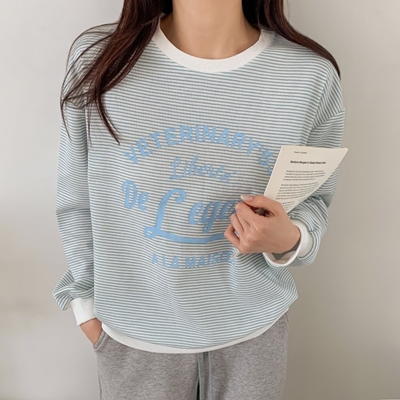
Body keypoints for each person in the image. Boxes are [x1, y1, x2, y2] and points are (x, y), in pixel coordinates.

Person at [52, 0, 345, 399]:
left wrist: (291, 239)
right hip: (134, 336)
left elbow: (314, 198)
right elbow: (76, 197)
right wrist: (85, 305)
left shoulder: (309, 75)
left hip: (254, 332)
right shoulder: (101, 59)